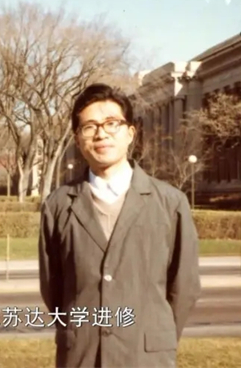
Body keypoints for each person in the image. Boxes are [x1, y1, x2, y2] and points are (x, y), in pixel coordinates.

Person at [38, 83, 202, 368]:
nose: (101, 133)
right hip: (82, 356)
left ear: (130, 133)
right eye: (89, 126)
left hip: (146, 357)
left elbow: (184, 287)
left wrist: (156, 335)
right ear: (78, 139)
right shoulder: (58, 205)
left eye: (111, 123)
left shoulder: (170, 203)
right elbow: (53, 288)